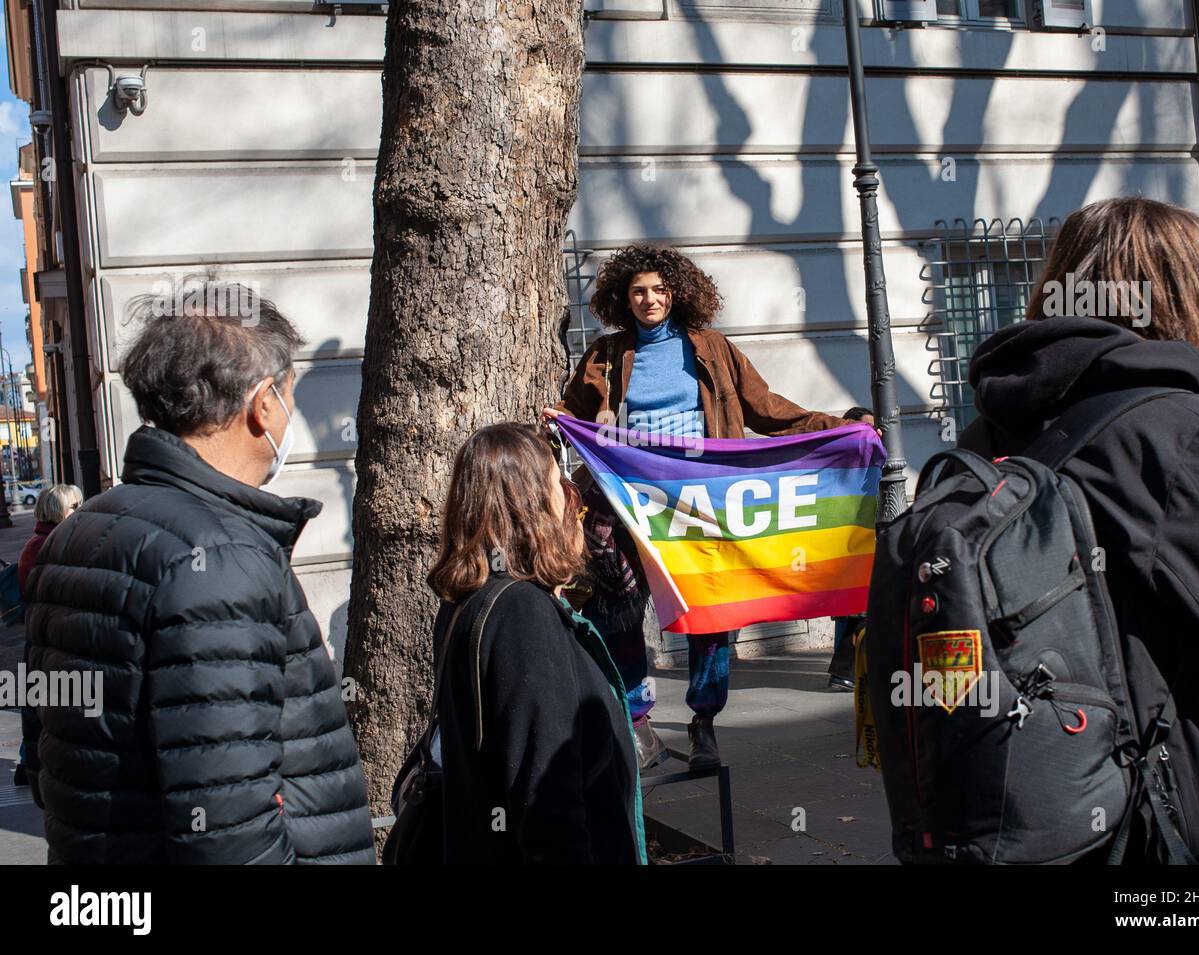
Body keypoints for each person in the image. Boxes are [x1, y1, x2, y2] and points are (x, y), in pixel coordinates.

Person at [958, 197, 1199, 863]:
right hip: (1186, 820)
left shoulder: (987, 435)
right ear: (1196, 295)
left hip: (1045, 812)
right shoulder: (1190, 433)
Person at [23, 281, 374, 864]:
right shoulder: (219, 556)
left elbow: (48, 763)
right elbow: (228, 831)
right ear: (263, 404)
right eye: (288, 394)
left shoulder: (79, 531)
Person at [545, 243, 849, 772]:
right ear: (623, 297)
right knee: (617, 611)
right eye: (638, 291)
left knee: (710, 613)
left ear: (678, 293)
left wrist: (838, 427)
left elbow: (766, 410)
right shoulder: (606, 354)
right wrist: (561, 417)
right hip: (626, 503)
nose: (649, 300)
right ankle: (638, 721)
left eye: (659, 290)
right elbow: (572, 416)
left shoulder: (712, 348)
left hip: (701, 500)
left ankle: (704, 721)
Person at [428, 423, 645, 864]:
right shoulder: (521, 614)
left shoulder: (468, 603)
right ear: (529, 506)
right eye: (558, 483)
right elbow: (548, 800)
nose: (571, 498)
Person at [12, 483, 82, 788]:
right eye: (75, 507)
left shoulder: (50, 540)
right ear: (57, 511)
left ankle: (30, 760)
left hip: (50, 635)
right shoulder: (44, 546)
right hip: (47, 637)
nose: (82, 511)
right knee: (43, 704)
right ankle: (30, 762)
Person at [828, 406, 874, 691]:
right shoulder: (842, 460)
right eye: (865, 427)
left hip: (863, 542)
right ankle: (843, 672)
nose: (872, 431)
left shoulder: (868, 459)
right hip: (848, 546)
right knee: (856, 613)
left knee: (856, 612)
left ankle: (846, 672)